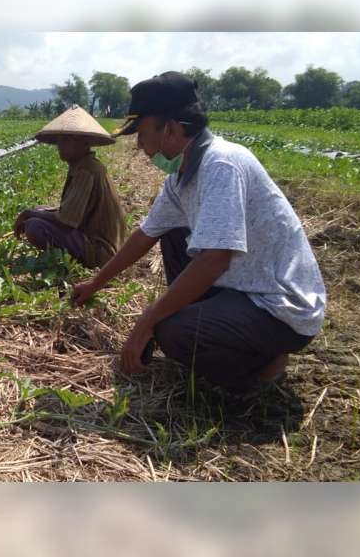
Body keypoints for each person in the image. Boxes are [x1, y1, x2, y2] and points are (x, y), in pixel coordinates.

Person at [71, 72, 326, 394]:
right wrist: (96, 282)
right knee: (174, 234)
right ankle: (228, 333)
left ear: (172, 128)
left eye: (143, 134)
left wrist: (148, 321)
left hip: (279, 305)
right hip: (243, 285)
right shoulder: (181, 176)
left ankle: (262, 373)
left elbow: (215, 260)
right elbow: (146, 234)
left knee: (175, 331)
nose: (140, 147)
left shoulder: (222, 165)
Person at [13, 105, 126, 268]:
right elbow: (69, 211)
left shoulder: (86, 170)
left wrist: (29, 213)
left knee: (34, 226)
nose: (60, 145)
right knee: (38, 211)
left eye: (66, 140)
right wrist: (36, 211)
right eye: (59, 140)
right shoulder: (83, 166)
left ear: (83, 143)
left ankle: (69, 262)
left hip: (99, 251)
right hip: (97, 242)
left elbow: (67, 220)